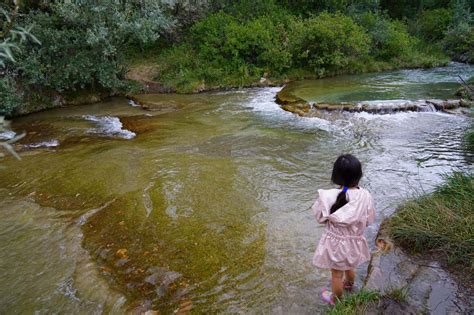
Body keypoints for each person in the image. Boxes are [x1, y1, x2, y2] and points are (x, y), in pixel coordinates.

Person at [312, 154, 376, 305]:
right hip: (355, 241)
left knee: (336, 275)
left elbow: (319, 217)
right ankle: (349, 285)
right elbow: (370, 218)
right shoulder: (365, 195)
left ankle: (336, 300)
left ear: (336, 176)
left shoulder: (328, 196)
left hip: (335, 245)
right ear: (359, 175)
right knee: (350, 266)